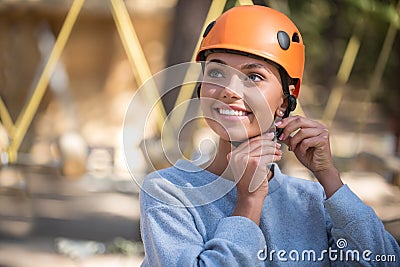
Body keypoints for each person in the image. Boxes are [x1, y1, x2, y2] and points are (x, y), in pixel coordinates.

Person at [139, 5, 399, 266]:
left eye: (253, 76)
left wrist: (329, 178)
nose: (229, 90)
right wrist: (249, 203)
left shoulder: (312, 201)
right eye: (217, 72)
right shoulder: (169, 192)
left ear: (285, 101)